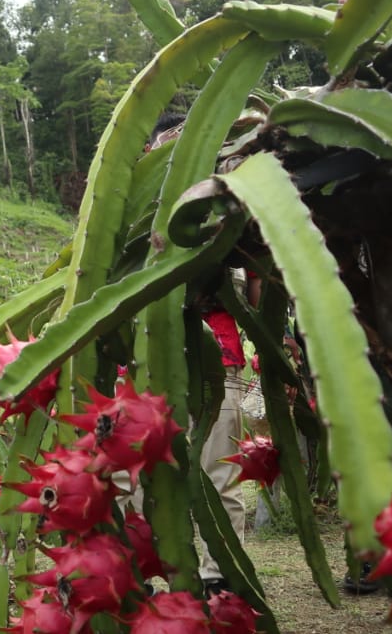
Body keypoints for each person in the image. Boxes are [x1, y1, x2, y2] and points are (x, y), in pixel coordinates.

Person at [147, 114, 258, 596]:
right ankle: (152, 570)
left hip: (222, 363)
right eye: (167, 147)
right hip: (149, 366)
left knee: (220, 476)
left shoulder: (229, 210)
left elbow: (255, 299)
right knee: (144, 476)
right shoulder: (137, 218)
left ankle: (219, 577)